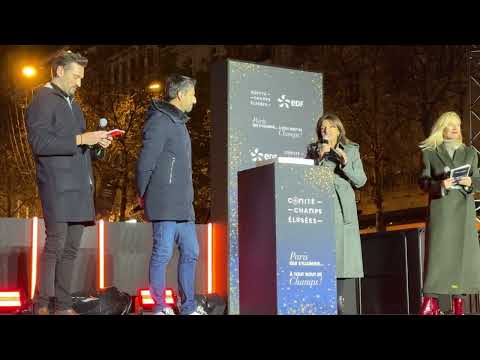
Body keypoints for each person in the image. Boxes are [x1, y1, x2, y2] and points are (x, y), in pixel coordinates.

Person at [26, 50, 112, 315]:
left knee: (71, 250)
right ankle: (41, 304)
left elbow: (78, 147)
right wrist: (81, 139)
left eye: (82, 78)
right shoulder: (42, 99)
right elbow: (40, 143)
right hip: (57, 185)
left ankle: (62, 306)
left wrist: (97, 145)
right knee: (56, 245)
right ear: (59, 71)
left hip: (79, 187)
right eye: (76, 76)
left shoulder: (73, 104)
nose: (80, 83)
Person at [137, 74, 203, 315]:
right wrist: (142, 193)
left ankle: (188, 307)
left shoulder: (179, 123)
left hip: (184, 205)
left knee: (192, 252)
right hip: (164, 202)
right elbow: (146, 162)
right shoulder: (160, 121)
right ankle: (159, 307)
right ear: (181, 94)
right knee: (163, 253)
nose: (195, 100)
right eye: (193, 94)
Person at [418, 111, 480, 315]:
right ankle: (430, 301)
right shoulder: (429, 151)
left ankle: (458, 303)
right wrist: (440, 184)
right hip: (441, 208)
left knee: (462, 256)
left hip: (464, 209)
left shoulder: (470, 152)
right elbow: (423, 182)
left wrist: (471, 182)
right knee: (438, 256)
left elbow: (478, 179)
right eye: (450, 124)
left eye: (458, 125)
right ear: (441, 128)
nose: (455, 128)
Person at [306, 113, 367, 314]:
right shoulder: (313, 151)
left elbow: (360, 181)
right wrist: (320, 158)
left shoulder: (350, 150)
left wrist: (345, 163)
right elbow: (304, 181)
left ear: (339, 130)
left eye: (330, 126)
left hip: (341, 216)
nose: (326, 130)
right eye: (322, 127)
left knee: (342, 271)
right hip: (318, 214)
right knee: (321, 272)